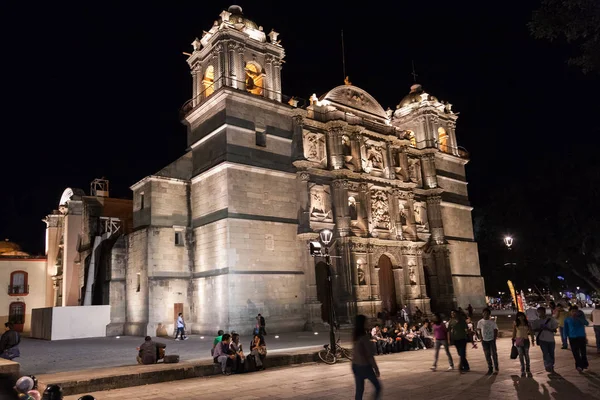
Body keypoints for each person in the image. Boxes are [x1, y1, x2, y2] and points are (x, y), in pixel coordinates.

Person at [351, 315, 381, 400]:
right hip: (364, 366)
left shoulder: (355, 336)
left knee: (359, 390)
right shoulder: (364, 337)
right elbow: (369, 355)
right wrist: (376, 368)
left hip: (355, 365)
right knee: (378, 387)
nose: (368, 323)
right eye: (366, 321)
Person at [531, 306, 559, 373]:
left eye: (541, 312)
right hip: (542, 339)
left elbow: (555, 329)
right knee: (545, 353)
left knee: (551, 353)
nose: (540, 314)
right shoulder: (536, 321)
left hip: (550, 339)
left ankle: (551, 364)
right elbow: (533, 329)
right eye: (538, 312)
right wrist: (540, 328)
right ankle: (547, 365)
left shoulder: (550, 319)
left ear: (544, 312)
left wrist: (548, 328)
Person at [564, 305, 589, 372]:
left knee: (583, 352)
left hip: (581, 336)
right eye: (572, 311)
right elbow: (565, 329)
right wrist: (565, 338)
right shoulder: (567, 320)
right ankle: (579, 365)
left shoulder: (580, 318)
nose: (574, 313)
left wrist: (579, 318)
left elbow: (586, 323)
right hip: (572, 337)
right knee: (575, 352)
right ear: (570, 312)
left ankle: (584, 364)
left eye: (575, 311)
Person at [476, 308, 499, 375]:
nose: (485, 314)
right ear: (482, 314)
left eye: (487, 313)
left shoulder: (492, 322)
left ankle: (496, 367)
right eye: (484, 313)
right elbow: (479, 330)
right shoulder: (480, 322)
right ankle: (490, 368)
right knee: (487, 354)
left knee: (494, 354)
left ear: (489, 314)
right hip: (484, 340)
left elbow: (496, 330)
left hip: (491, 340)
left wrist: (494, 338)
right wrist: (480, 338)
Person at [512, 312, 535, 377]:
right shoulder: (515, 323)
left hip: (526, 340)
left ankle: (528, 367)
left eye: (522, 316)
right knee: (521, 355)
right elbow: (514, 331)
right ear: (517, 317)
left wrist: (533, 339)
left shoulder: (527, 323)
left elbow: (531, 332)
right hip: (519, 341)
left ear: (524, 316)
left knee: (526, 355)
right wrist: (513, 339)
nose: (521, 317)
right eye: (519, 316)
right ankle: (522, 368)